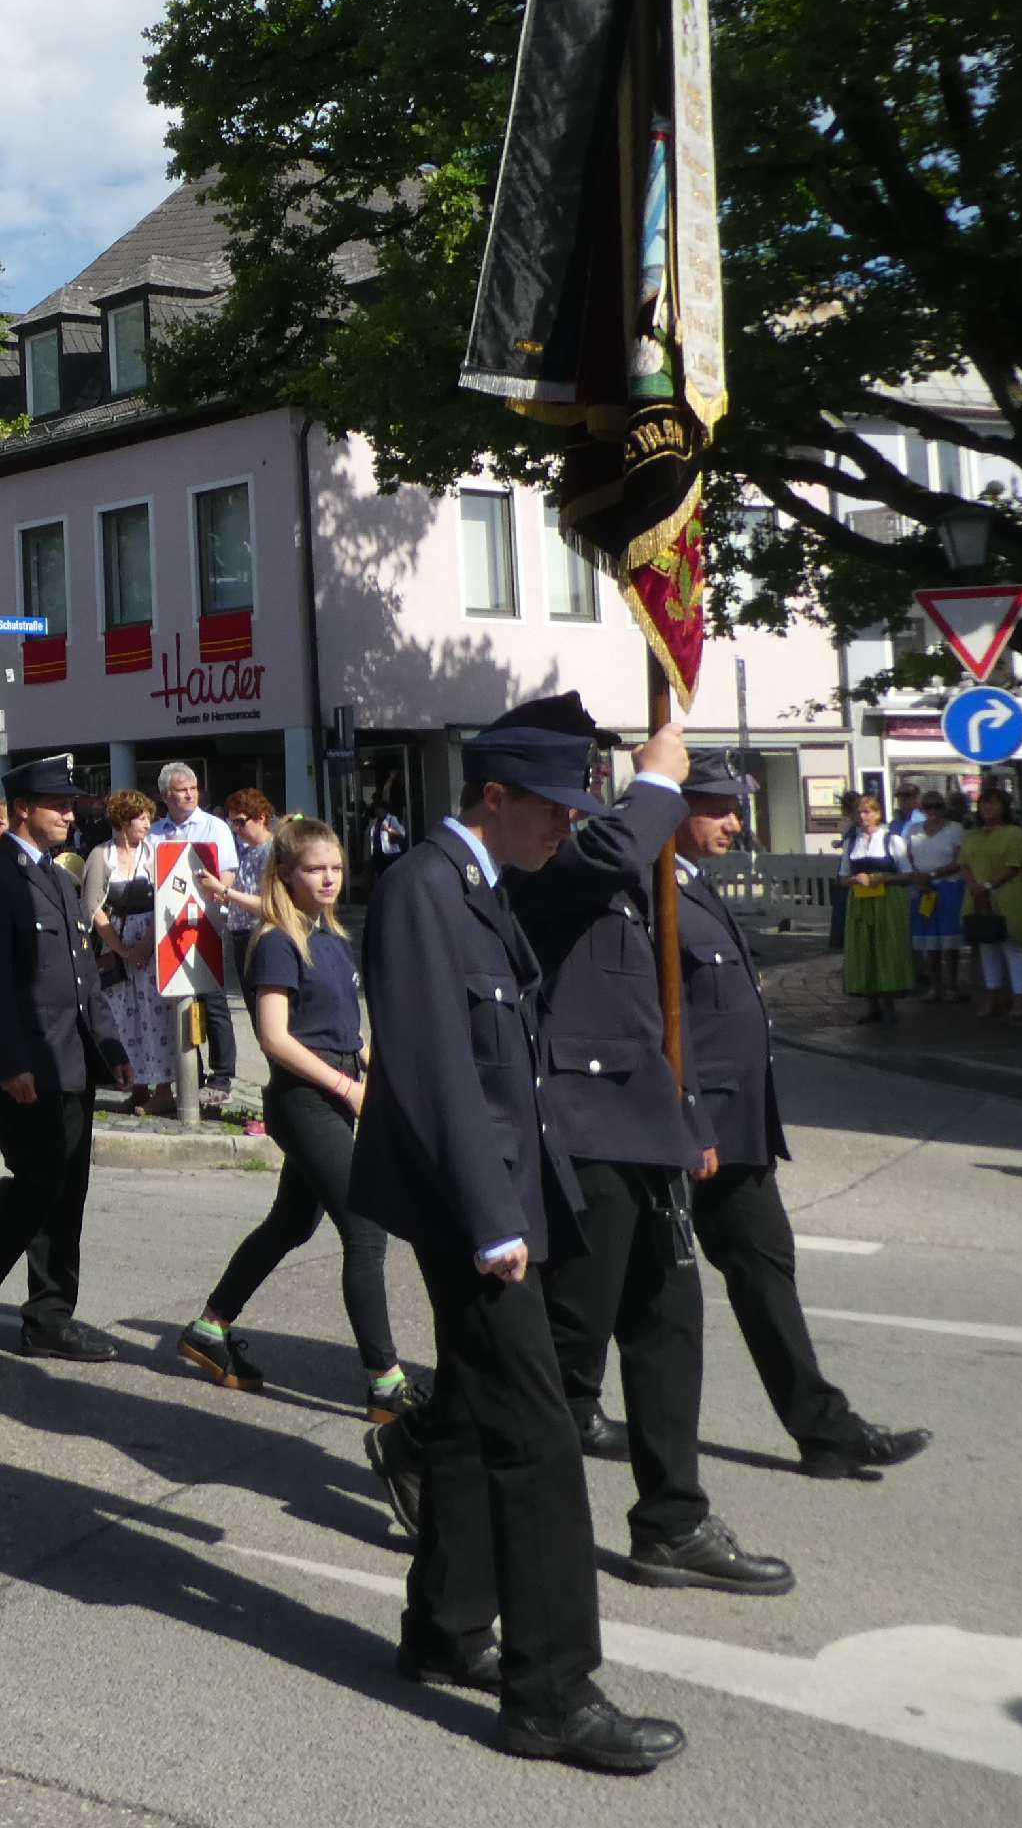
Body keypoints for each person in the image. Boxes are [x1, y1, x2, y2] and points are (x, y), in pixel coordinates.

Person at [353, 706, 688, 1775]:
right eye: (551, 810)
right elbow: (432, 1070)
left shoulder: (478, 884)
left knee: (467, 1415)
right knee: (539, 1441)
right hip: (475, 1210)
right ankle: (550, 1693)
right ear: (492, 798)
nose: (565, 827)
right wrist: (492, 1217)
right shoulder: (424, 888)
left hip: (504, 1197)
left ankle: (446, 1627)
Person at [513, 721, 794, 1597]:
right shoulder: (551, 866)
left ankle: (672, 1522)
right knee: (565, 1342)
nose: (575, 801)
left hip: (649, 1130)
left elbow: (663, 1014)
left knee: (670, 1326)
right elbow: (611, 850)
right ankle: (428, 1447)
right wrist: (658, 784)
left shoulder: (638, 870)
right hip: (588, 1131)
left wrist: (689, 1116)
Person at [661, 755, 933, 1479]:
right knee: (612, 1296)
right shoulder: (651, 891)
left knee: (766, 1267)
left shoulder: (693, 884)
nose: (734, 822)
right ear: (673, 809)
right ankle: (478, 1427)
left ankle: (825, 1430)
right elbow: (649, 1022)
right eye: (718, 808)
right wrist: (687, 1117)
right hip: (684, 1132)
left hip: (736, 1130)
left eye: (736, 807)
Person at [178, 814, 414, 1422]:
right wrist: (347, 1087)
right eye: (315, 869)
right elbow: (275, 1038)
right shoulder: (278, 941)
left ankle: (210, 1327)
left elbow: (344, 1032)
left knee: (290, 1224)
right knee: (366, 1228)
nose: (329, 878)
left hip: (338, 1094)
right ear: (286, 873)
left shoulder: (330, 935)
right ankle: (385, 1383)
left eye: (336, 867)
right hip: (303, 1102)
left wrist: (381, 1074)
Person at [0, 754, 124, 1366]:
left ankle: (48, 1316)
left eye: (71, 806)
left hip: (71, 1060)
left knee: (67, 1191)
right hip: (23, 1065)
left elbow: (83, 976)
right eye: (58, 806)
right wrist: (9, 1062)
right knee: (40, 1181)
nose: (70, 815)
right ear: (22, 810)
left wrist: (111, 1047)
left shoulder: (59, 878)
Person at [153, 764, 240, 1098]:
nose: (190, 794)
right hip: (168, 929)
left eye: (193, 788)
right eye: (181, 789)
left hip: (207, 925)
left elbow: (228, 873)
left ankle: (222, 1077)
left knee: (212, 999)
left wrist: (210, 896)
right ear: (166, 796)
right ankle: (192, 1074)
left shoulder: (214, 827)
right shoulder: (156, 833)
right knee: (179, 1002)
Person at [80, 791, 172, 1104]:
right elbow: (93, 906)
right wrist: (121, 950)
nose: (147, 823)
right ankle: (137, 1085)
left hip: (152, 940)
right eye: (140, 818)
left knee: (157, 1015)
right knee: (125, 1016)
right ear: (122, 821)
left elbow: (166, 898)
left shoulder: (154, 852)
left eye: (148, 817)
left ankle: (163, 1089)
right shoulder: (101, 855)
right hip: (116, 943)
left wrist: (144, 946)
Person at [836, 791, 915, 1025]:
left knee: (887, 948)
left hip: (887, 902)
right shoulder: (851, 843)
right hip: (860, 902)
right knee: (863, 950)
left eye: (867, 812)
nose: (862, 816)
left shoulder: (892, 840)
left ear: (877, 814)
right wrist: (855, 879)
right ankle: (871, 1005)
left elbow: (907, 874)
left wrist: (883, 878)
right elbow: (842, 878)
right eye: (859, 812)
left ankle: (889, 1004)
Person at [959, 782, 1022, 1019]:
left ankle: (1020, 1000)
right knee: (987, 946)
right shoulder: (972, 834)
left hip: (1006, 894)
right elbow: (964, 863)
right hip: (977, 896)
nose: (987, 808)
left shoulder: (1014, 833)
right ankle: (992, 997)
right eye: (984, 803)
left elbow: (1013, 866)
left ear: (1004, 807)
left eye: (993, 803)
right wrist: (974, 885)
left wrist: (989, 886)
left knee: (1012, 947)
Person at [904, 789, 969, 1002]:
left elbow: (959, 861)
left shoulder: (955, 829)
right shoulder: (913, 830)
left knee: (949, 942)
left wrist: (933, 875)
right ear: (921, 809)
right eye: (928, 806)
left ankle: (952, 985)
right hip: (922, 890)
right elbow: (907, 857)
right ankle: (935, 985)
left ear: (944, 808)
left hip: (949, 887)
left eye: (938, 806)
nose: (933, 810)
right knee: (928, 941)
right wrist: (918, 879)